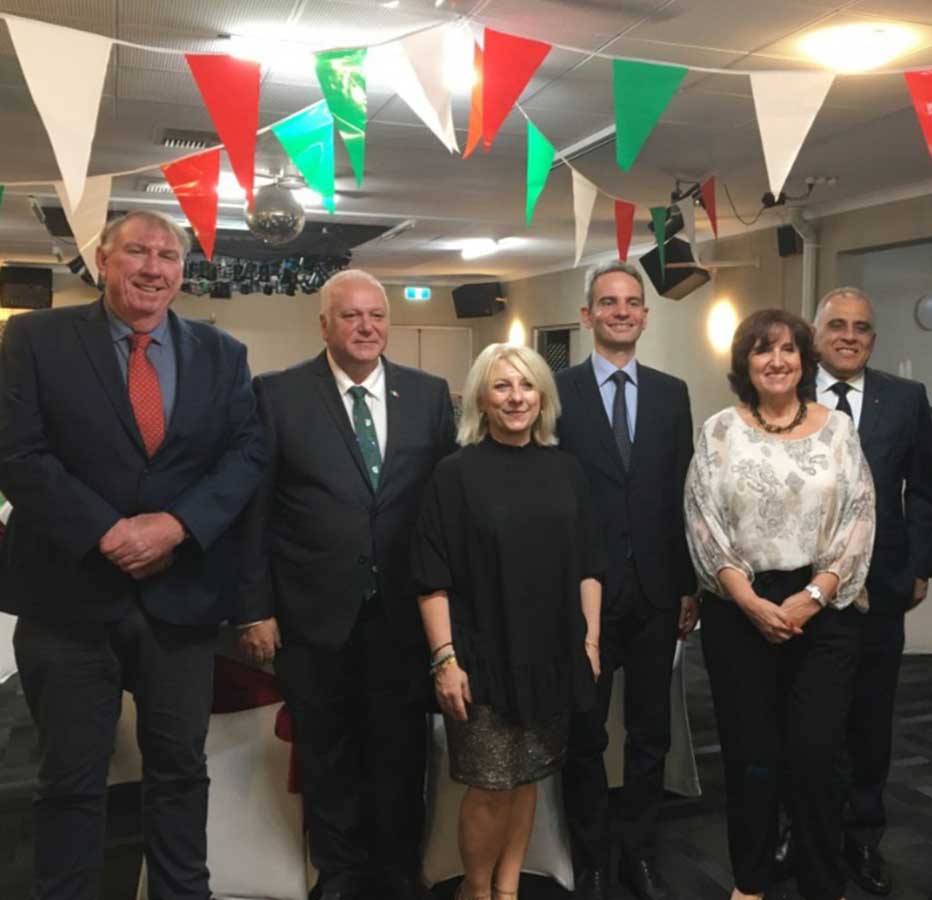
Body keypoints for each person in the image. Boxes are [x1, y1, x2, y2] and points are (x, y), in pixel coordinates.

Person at [0, 209, 268, 900]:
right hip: (68, 600)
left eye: (168, 255)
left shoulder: (223, 353)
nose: (153, 267)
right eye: (137, 252)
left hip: (180, 602)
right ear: (102, 259)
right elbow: (17, 453)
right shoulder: (34, 338)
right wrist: (107, 531)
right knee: (70, 783)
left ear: (183, 270)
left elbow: (246, 457)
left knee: (181, 775)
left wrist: (176, 526)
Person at [235, 269, 456, 900]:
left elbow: (444, 508)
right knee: (326, 748)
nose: (366, 327)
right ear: (325, 324)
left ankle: (397, 868)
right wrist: (254, 608)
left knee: (401, 749)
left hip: (403, 613)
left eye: (376, 315)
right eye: (351, 316)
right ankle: (338, 871)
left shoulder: (428, 395)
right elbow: (254, 510)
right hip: (312, 611)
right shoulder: (277, 394)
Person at [685, 308, 875, 900]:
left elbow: (860, 516)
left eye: (788, 349)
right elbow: (702, 521)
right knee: (752, 756)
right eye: (763, 350)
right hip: (738, 610)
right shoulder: (719, 431)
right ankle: (751, 880)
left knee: (817, 755)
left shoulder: (838, 430)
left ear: (804, 361)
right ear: (745, 363)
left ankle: (822, 882)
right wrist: (748, 600)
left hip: (823, 608)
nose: (776, 360)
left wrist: (814, 595)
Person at [412, 343, 604, 900]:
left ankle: (508, 888)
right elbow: (431, 578)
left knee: (528, 778)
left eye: (526, 385)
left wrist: (590, 642)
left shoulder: (567, 470)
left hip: (552, 656)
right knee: (491, 786)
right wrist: (445, 660)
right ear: (481, 399)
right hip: (482, 659)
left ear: (542, 396)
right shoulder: (454, 475)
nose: (516, 397)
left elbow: (589, 566)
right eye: (502, 386)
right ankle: (475, 891)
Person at [556, 260, 698, 900]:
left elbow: (682, 492)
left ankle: (639, 854)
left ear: (645, 314)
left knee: (650, 734)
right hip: (583, 597)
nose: (621, 311)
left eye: (632, 302)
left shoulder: (672, 393)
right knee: (584, 734)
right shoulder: (557, 392)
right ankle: (589, 857)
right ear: (587, 315)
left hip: (658, 592)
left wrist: (689, 584)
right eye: (608, 302)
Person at [813, 287, 932, 895]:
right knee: (805, 719)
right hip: (801, 589)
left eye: (861, 327)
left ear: (873, 339)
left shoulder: (906, 399)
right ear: (816, 335)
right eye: (837, 325)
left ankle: (862, 837)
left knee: (869, 721)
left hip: (881, 587)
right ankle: (803, 828)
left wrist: (920, 565)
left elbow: (925, 488)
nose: (849, 336)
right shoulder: (783, 391)